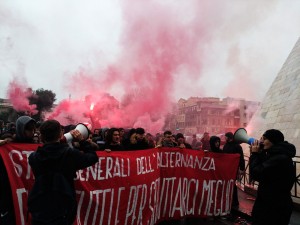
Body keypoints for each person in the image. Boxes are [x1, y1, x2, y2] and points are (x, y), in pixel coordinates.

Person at [27, 119, 98, 225]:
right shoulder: (69, 154)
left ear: (41, 136)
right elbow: (92, 157)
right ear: (60, 133)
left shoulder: (33, 157)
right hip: (63, 210)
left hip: (39, 208)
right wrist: (82, 141)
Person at [250, 129, 296, 225]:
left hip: (272, 207)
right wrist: (261, 153)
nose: (261, 141)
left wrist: (254, 154)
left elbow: (256, 173)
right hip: (272, 204)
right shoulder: (276, 155)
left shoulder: (279, 159)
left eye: (264, 139)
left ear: (273, 141)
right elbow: (265, 169)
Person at [223, 132, 245, 209]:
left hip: (234, 168)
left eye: (225, 137)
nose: (224, 138)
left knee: (232, 184)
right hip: (227, 168)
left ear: (229, 137)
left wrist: (242, 168)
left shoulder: (237, 146)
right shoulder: (226, 145)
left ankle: (234, 201)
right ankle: (228, 200)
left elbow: (241, 158)